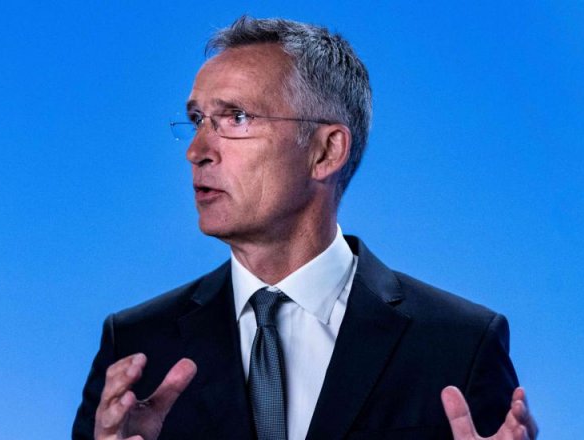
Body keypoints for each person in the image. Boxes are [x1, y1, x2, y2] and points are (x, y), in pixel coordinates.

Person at [73, 16, 538, 440]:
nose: (196, 151)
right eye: (197, 120)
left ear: (325, 152)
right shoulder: (136, 347)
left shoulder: (459, 344)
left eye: (236, 117)